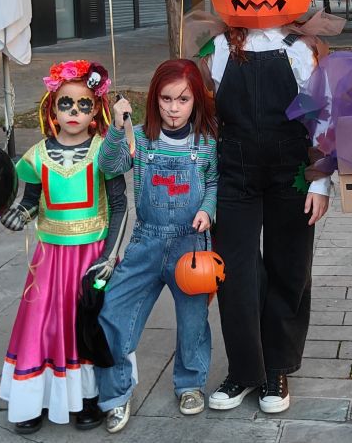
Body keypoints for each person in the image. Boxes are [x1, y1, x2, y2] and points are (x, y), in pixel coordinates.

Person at [201, 0, 332, 415]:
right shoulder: (217, 49)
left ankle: (275, 367)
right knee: (233, 269)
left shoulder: (300, 53)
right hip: (234, 172)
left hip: (291, 171)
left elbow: (322, 117)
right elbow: (204, 115)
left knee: (290, 265)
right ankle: (243, 369)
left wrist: (320, 181)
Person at [0, 60, 127, 435]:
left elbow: (121, 205)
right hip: (50, 260)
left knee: (87, 321)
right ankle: (33, 398)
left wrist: (109, 256)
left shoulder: (105, 152)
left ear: (97, 110)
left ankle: (88, 397)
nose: (74, 112)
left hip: (91, 257)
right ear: (51, 108)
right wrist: (19, 214)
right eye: (66, 103)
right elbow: (30, 200)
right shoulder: (36, 155)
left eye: (84, 104)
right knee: (43, 324)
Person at [95, 59, 219, 432]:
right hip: (146, 241)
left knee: (193, 321)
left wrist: (208, 210)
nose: (173, 108)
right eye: (165, 99)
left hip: (190, 245)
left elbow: (212, 183)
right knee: (114, 313)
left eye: (182, 99)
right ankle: (115, 395)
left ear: (196, 100)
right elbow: (109, 165)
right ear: (154, 99)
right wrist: (117, 128)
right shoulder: (140, 137)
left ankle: (190, 383)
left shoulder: (206, 143)